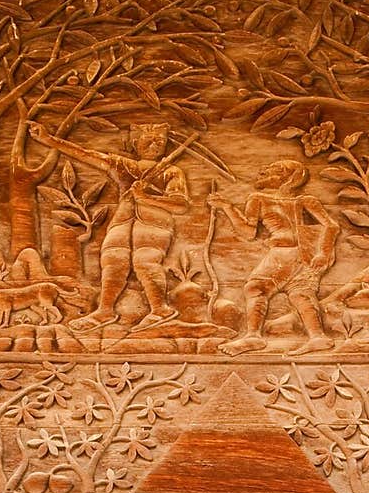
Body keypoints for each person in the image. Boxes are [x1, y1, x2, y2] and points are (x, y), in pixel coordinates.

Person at [29, 121, 190, 327]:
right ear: (135, 143)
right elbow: (85, 154)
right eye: (148, 140)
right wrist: (48, 139)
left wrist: (145, 198)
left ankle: (160, 309)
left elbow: (180, 204)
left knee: (145, 259)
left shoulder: (171, 171)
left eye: (160, 141)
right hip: (123, 218)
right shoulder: (123, 165)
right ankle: (105, 311)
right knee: (113, 259)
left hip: (154, 222)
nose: (154, 145)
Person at [208, 159, 338, 352]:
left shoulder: (268, 199)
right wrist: (227, 206)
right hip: (303, 257)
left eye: (272, 170)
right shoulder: (282, 200)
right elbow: (249, 232)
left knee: (255, 288)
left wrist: (324, 252)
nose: (264, 171)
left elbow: (331, 226)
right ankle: (318, 337)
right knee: (300, 293)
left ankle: (253, 336)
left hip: (285, 253)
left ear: (288, 177)